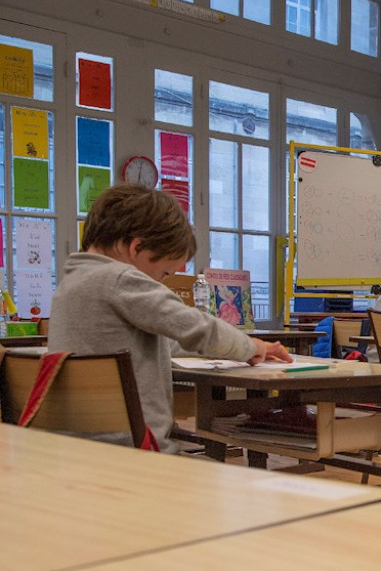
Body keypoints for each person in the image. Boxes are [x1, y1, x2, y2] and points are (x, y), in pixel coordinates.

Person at [48, 184, 291, 451]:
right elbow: (197, 327)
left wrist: (223, 352)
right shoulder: (120, 279)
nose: (162, 283)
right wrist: (252, 347)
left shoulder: (70, 285)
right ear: (136, 248)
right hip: (136, 448)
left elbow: (164, 343)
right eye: (164, 274)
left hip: (77, 447)